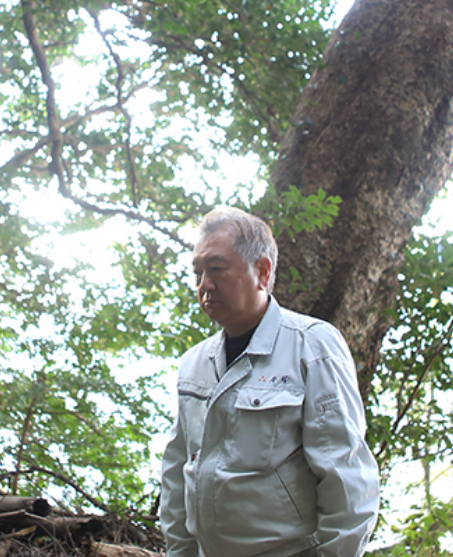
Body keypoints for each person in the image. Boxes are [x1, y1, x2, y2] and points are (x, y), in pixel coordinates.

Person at [159, 206, 381, 557]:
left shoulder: (312, 346)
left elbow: (347, 475)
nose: (204, 285)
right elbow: (176, 472)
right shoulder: (194, 364)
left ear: (262, 272)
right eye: (198, 272)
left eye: (216, 269)